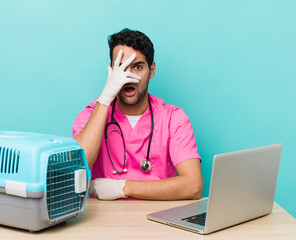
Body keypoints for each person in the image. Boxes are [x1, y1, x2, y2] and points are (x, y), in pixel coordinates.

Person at [73, 28, 202, 201]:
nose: (129, 77)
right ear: (111, 71)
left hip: (159, 218)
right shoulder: (91, 116)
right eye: (122, 67)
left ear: (152, 70)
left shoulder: (173, 118)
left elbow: (193, 186)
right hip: (105, 221)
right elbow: (77, 170)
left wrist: (122, 187)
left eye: (138, 67)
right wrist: (105, 99)